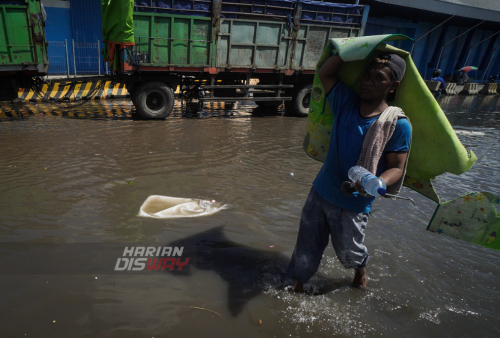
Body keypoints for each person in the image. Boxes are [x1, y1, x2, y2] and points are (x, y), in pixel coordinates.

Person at [287, 53, 412, 291]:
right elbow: (325, 72)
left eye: (379, 78)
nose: (368, 82)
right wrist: (350, 51)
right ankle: (298, 284)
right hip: (321, 191)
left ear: (393, 86)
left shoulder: (396, 124)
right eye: (367, 75)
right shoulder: (345, 103)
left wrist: (377, 181)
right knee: (306, 246)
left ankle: (360, 273)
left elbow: (397, 167)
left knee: (349, 251)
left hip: (353, 202)